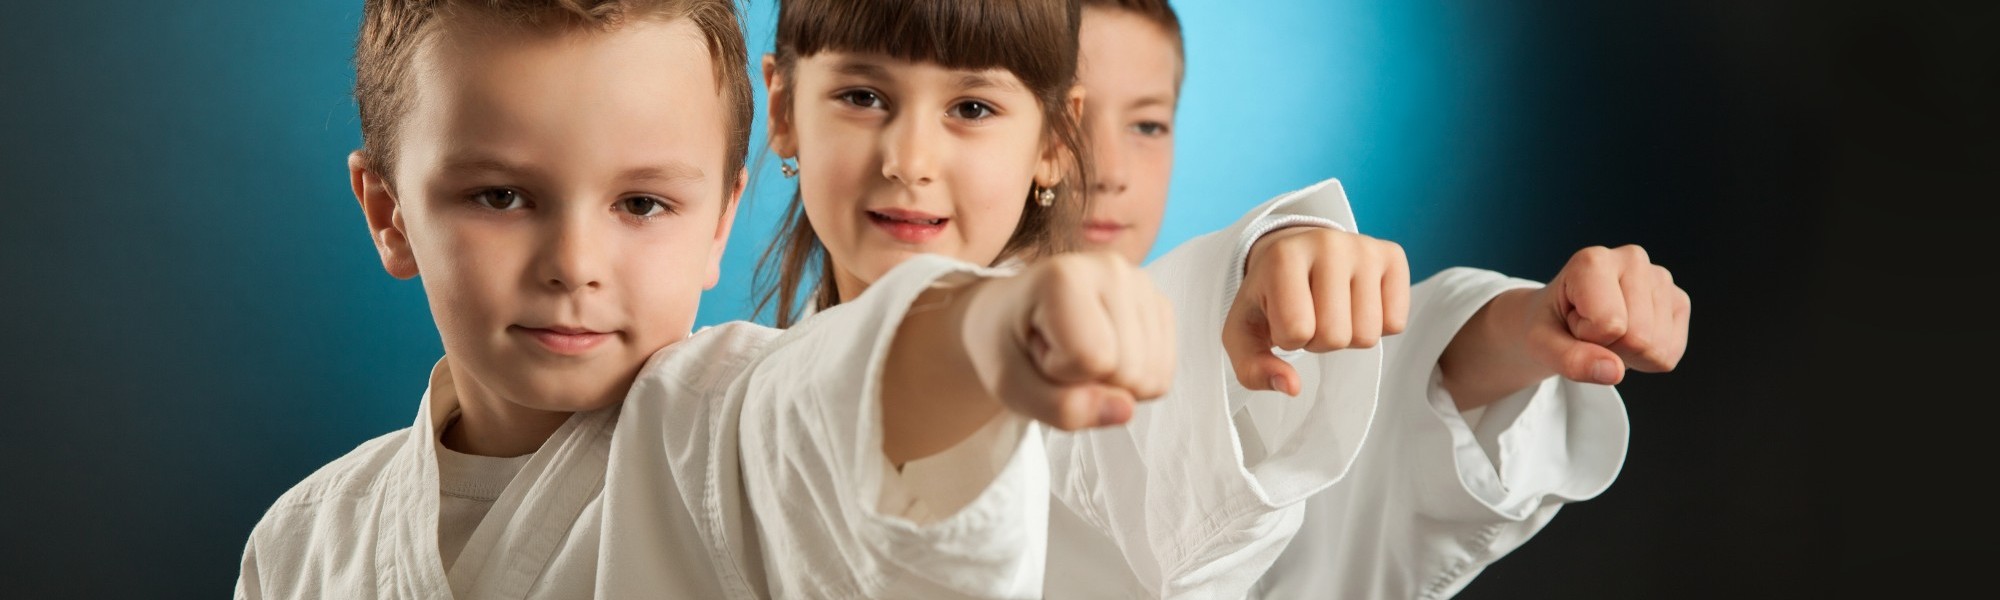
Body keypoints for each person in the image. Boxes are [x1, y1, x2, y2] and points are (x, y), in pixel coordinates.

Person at [234, 1, 1180, 597]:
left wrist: (993, 328)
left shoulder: (728, 428)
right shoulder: (305, 540)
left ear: (721, 219)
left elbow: (856, 390)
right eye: (500, 197)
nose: (574, 262)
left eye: (642, 203)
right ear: (389, 212)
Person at [753, 0, 1429, 596]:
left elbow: (1152, 432)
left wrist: (1263, 256)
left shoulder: (1066, 378)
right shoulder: (714, 394)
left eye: (972, 107)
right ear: (781, 107)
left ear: (1052, 139)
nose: (910, 159)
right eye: (863, 96)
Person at [1064, 1, 1693, 597]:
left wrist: (1519, 328)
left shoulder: (1219, 378)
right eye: (1063, 119)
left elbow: (1351, 482)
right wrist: (1258, 250)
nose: (1108, 168)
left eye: (1148, 123)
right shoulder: (990, 365)